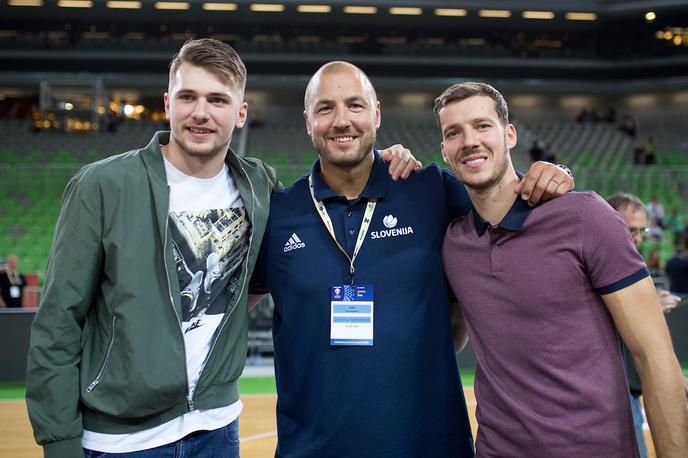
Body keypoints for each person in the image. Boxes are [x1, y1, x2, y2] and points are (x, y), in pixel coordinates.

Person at [23, 39, 417, 458]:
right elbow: (57, 323)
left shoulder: (261, 188)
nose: (201, 112)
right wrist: (59, 441)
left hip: (218, 429)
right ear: (167, 103)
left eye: (217, 99)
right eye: (187, 97)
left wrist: (383, 161)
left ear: (240, 112)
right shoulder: (102, 185)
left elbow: (282, 263)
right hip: (120, 441)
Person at [248, 62, 573, 457]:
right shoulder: (279, 213)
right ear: (307, 120)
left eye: (355, 105)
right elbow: (232, 310)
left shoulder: (431, 189)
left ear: (377, 113)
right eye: (325, 108)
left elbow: (505, 197)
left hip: (431, 445)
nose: (341, 121)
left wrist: (552, 175)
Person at [436, 81, 688, 457]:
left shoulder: (585, 215)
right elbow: (453, 335)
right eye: (453, 133)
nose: (469, 140)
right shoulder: (453, 243)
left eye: (482, 125)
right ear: (444, 150)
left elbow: (655, 356)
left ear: (510, 135)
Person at [607, 191, 683, 458]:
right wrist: (651, 310)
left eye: (642, 230)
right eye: (630, 229)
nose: (637, 238)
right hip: (610, 395)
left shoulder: (633, 266)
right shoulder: (592, 266)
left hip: (632, 388)